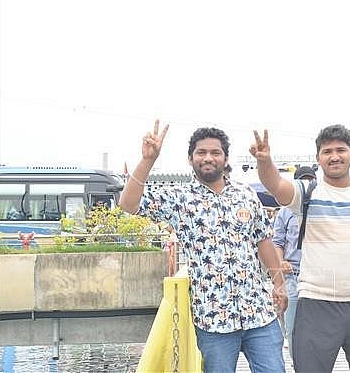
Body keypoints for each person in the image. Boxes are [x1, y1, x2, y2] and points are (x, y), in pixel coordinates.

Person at [119, 120, 287, 373]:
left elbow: (263, 240)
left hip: (259, 312)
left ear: (225, 158)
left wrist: (279, 283)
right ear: (191, 159)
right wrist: (147, 161)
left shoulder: (246, 194)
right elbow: (129, 204)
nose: (208, 157)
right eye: (201, 152)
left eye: (215, 152)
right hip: (212, 318)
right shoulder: (179, 198)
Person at [250, 125, 350, 372]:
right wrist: (265, 162)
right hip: (315, 304)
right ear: (318, 158)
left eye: (341, 150)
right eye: (327, 151)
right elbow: (276, 185)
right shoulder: (307, 192)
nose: (335, 156)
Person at [271, 165, 317, 358]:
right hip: (293, 276)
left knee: (319, 334)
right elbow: (277, 242)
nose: (307, 185)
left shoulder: (322, 205)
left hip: (319, 278)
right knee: (292, 331)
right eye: (302, 182)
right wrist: (281, 263)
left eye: (310, 181)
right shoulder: (285, 211)